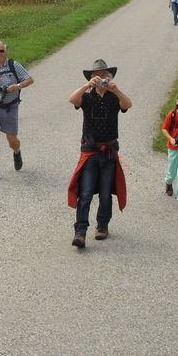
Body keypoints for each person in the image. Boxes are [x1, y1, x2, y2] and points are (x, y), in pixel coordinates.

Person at [67, 59, 132, 249]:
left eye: (105, 75)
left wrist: (116, 90)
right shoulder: (87, 97)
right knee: (86, 192)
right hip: (90, 151)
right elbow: (72, 100)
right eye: (98, 75)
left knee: (105, 193)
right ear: (92, 78)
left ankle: (102, 225)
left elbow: (128, 104)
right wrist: (87, 85)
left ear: (110, 77)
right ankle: (80, 232)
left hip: (109, 152)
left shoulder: (114, 97)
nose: (102, 78)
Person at [0, 41, 34, 182]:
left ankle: (17, 152)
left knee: (12, 139)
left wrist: (17, 86)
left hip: (10, 107)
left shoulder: (14, 65)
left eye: (1, 51)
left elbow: (29, 80)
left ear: (6, 52)